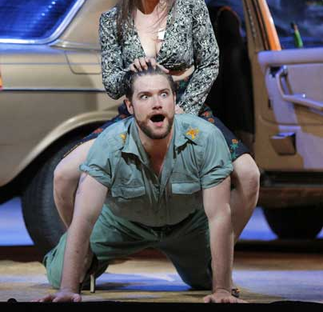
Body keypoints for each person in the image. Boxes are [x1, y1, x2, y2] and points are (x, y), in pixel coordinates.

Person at [54, 0, 259, 250]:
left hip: (190, 109)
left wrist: (184, 108)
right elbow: (111, 84)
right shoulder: (114, 20)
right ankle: (83, 255)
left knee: (249, 176)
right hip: (135, 116)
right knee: (63, 175)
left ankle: (217, 258)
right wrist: (129, 71)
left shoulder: (191, 5)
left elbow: (210, 64)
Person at [36, 67, 246, 303]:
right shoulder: (109, 143)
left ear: (174, 99)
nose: (157, 104)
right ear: (130, 106)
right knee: (59, 274)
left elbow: (219, 216)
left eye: (164, 94)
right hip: (123, 223)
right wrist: (68, 289)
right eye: (145, 97)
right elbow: (83, 218)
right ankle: (88, 261)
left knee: (206, 280)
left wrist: (222, 291)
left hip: (186, 225)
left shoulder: (206, 138)